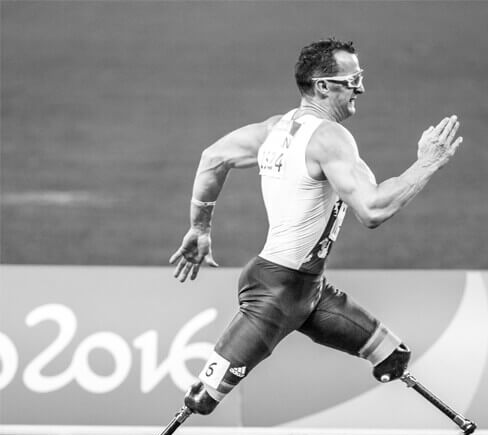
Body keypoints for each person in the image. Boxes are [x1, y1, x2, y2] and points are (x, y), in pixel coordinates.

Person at [169, 38, 462, 415]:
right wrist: (427, 163)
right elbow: (372, 210)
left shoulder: (276, 128)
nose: (361, 87)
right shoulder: (329, 137)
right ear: (323, 85)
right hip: (275, 295)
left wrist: (200, 227)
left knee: (392, 357)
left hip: (309, 291)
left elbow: (214, 157)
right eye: (352, 78)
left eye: (361, 76)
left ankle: (460, 425)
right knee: (203, 398)